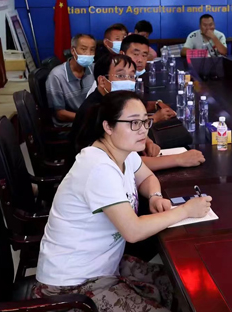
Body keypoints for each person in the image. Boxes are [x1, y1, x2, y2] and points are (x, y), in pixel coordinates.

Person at [34, 91, 213, 311]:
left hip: (104, 267)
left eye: (145, 121)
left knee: (181, 287)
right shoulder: (98, 168)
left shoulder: (124, 151)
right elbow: (133, 231)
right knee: (176, 294)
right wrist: (185, 210)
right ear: (108, 127)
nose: (143, 130)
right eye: (134, 123)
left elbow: (147, 177)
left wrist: (155, 196)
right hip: (71, 287)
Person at [74, 54, 204, 171]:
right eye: (121, 76)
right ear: (102, 81)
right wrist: (179, 159)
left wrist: (148, 141)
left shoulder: (117, 102)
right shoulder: (95, 111)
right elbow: (122, 163)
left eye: (131, 76)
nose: (127, 81)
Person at [46, 34, 96, 128]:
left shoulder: (94, 69)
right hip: (71, 125)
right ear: (73, 51)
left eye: (92, 50)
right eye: (84, 49)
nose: (88, 53)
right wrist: (87, 118)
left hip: (90, 120)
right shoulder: (57, 75)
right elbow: (60, 114)